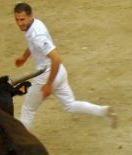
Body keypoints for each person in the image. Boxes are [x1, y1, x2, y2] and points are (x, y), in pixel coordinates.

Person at [13, 2, 117, 130]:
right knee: (70, 104)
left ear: (30, 16)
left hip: (47, 75)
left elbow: (56, 59)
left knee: (28, 109)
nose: (19, 23)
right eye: (17, 20)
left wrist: (49, 84)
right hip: (59, 73)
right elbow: (33, 44)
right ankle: (103, 111)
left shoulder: (37, 35)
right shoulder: (35, 24)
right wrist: (24, 57)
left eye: (22, 19)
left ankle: (20, 144)